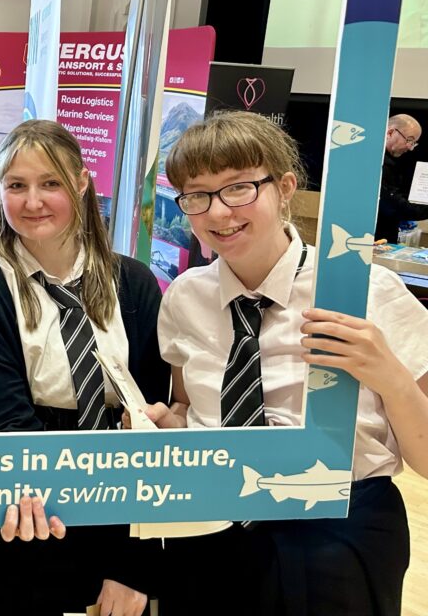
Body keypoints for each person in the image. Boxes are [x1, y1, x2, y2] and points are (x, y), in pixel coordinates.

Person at [152, 110, 428, 616]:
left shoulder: (363, 292)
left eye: (239, 187)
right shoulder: (185, 298)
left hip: (338, 529)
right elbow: (188, 405)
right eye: (197, 195)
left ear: (284, 187)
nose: (218, 213)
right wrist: (161, 423)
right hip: (209, 525)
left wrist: (388, 374)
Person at [0, 119, 167, 616]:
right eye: (17, 186)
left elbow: (152, 429)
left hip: (116, 501)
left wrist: (131, 565)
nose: (33, 201)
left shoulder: (133, 284)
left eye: (51, 183)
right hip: (17, 507)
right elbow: (6, 422)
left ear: (82, 183)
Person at [376, 113, 428, 242]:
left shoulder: (389, 163)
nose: (410, 148)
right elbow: (395, 206)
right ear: (390, 132)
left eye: (414, 143)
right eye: (409, 140)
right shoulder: (376, 164)